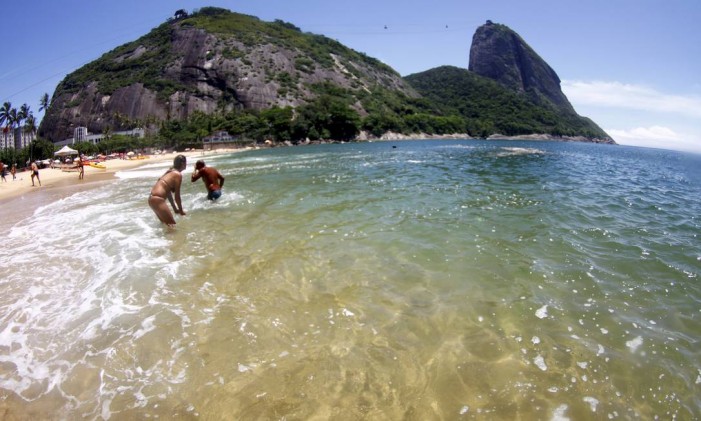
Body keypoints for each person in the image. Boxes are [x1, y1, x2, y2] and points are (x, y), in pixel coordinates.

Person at [148, 154, 187, 228]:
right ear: (182, 163)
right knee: (172, 227)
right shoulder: (177, 174)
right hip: (158, 200)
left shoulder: (170, 172)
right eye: (185, 162)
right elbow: (177, 196)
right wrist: (181, 211)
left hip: (151, 199)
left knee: (167, 226)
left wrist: (175, 208)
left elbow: (168, 192)